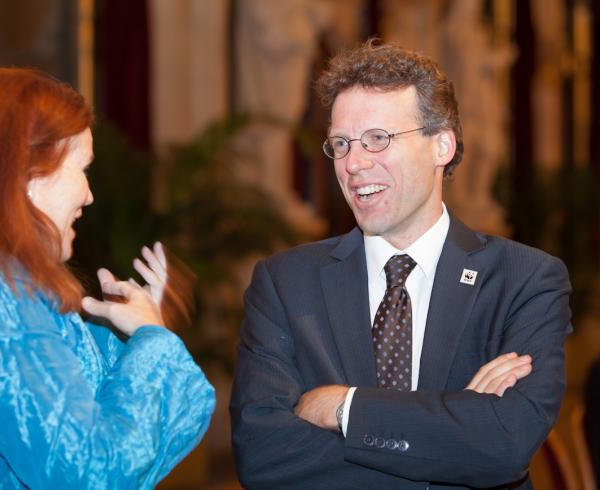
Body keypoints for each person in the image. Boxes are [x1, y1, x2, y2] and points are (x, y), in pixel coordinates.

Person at [230, 41, 572, 489]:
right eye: (341, 143)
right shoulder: (284, 283)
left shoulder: (524, 280)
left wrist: (345, 408)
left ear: (442, 145)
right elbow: (263, 457)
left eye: (377, 138)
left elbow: (506, 444)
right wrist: (453, 433)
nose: (353, 163)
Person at [0, 67, 215, 488]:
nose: (89, 195)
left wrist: (141, 330)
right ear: (30, 174)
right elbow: (92, 472)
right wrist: (152, 341)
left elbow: (128, 435)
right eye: (83, 168)